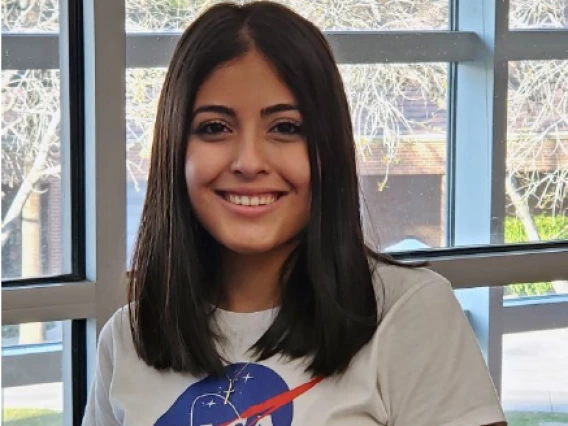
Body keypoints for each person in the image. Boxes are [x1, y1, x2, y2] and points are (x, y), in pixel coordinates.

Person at [82, 2, 507, 425]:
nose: (249, 162)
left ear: (329, 150)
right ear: (176, 150)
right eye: (215, 127)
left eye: (285, 128)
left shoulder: (408, 313)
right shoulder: (128, 338)